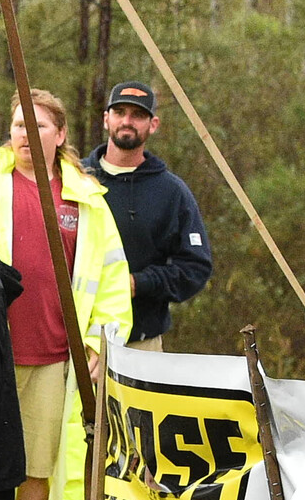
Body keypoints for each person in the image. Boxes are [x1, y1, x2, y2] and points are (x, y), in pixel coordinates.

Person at [0, 89, 134, 500]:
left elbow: (113, 279)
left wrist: (99, 342)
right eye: (19, 126)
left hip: (53, 353)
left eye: (39, 126)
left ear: (61, 135)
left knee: (37, 461)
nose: (26, 136)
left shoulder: (85, 200)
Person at [85, 80, 212, 351]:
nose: (127, 121)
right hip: (74, 339)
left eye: (138, 115)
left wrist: (138, 283)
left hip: (140, 343)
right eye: (119, 112)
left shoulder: (171, 192)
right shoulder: (75, 178)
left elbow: (195, 268)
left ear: (153, 124)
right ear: (106, 119)